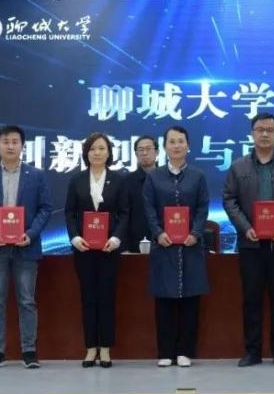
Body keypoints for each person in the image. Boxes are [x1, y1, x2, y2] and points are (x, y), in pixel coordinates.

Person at [222, 113, 274, 367]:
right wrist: (245, 227)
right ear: (252, 134)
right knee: (251, 299)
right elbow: (229, 200)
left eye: (270, 129)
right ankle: (252, 351)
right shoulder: (238, 167)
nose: (265, 134)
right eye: (260, 129)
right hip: (250, 244)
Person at [0, 125, 53, 369]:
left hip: (25, 247)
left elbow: (45, 208)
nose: (10, 146)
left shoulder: (36, 175)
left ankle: (29, 351)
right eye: (5, 141)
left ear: (22, 146)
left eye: (15, 141)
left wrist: (30, 234)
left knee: (27, 301)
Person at [143, 125, 210, 368]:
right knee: (164, 299)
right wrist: (158, 233)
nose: (177, 145)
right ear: (165, 147)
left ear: (188, 145)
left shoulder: (198, 176)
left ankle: (185, 351)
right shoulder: (154, 177)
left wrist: (196, 232)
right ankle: (165, 351)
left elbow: (203, 207)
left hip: (191, 246)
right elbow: (149, 208)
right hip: (164, 246)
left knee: (190, 299)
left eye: (181, 141)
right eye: (172, 141)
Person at [64, 132, 129, 368]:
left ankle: (106, 348)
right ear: (86, 153)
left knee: (106, 298)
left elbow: (125, 213)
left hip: (109, 249)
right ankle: (91, 347)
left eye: (101, 148)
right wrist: (75, 237)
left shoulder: (119, 180)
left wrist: (116, 238)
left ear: (109, 152)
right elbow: (70, 213)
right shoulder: (77, 180)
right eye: (92, 149)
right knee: (88, 298)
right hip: (84, 249)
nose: (97, 153)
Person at [123, 135, 158, 252]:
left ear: (157, 152)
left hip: (165, 243)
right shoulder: (127, 181)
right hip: (134, 245)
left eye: (148, 149)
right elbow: (123, 216)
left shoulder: (167, 179)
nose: (144, 153)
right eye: (140, 149)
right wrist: (124, 247)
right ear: (136, 154)